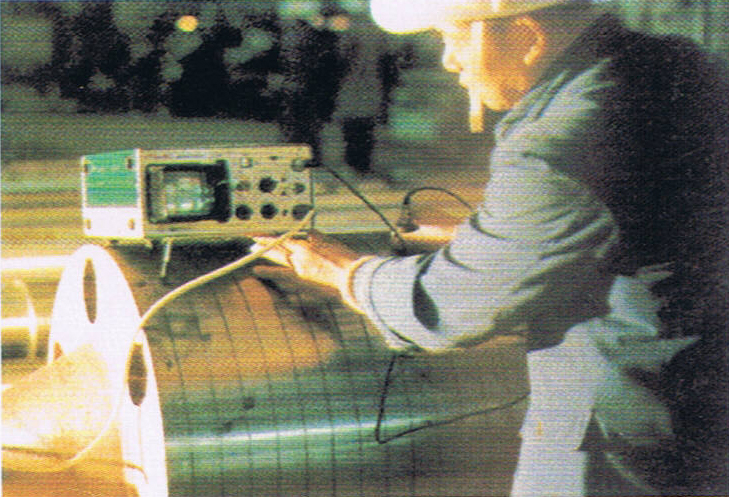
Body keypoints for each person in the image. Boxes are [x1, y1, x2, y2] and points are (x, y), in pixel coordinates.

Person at [253, 0, 729, 495]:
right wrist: (505, 236)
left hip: (616, 445)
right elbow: (652, 225)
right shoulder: (684, 67)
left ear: (527, 36)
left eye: (454, 37)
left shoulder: (560, 141)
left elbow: (453, 304)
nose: (448, 61)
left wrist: (347, 272)